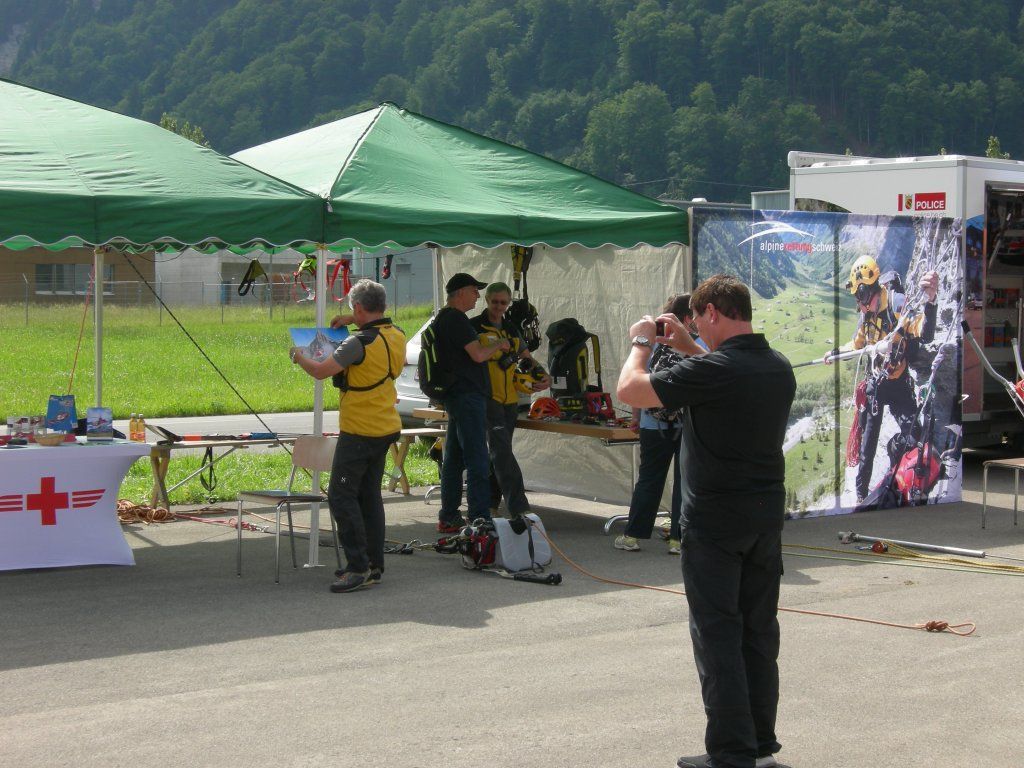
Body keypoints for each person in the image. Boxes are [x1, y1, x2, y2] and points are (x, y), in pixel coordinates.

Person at [617, 274, 796, 768]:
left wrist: (641, 342)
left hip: (716, 523)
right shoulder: (776, 365)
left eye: (698, 321)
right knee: (758, 633)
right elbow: (723, 374)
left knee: (718, 636)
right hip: (763, 518)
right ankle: (759, 747)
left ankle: (732, 752)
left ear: (712, 312)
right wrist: (688, 345)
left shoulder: (717, 369)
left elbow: (630, 390)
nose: (697, 328)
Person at [290, 279, 406, 593]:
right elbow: (372, 325)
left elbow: (320, 371)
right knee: (369, 496)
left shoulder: (357, 343)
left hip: (360, 430)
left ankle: (357, 568)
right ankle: (373, 565)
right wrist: (352, 319)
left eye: (353, 310)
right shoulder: (396, 334)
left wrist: (299, 355)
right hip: (385, 427)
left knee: (341, 495)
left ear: (357, 307)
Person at [828, 255, 938, 505]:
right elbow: (856, 345)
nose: (859, 305)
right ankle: (861, 494)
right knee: (867, 447)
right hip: (875, 386)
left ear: (866, 292)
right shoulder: (866, 316)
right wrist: (834, 353)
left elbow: (925, 333)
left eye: (859, 298)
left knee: (915, 436)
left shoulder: (897, 305)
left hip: (898, 384)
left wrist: (931, 301)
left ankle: (895, 454)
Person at [614, 293, 701, 555]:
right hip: (687, 424)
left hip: (654, 423)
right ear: (688, 318)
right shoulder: (697, 345)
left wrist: (636, 417)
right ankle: (678, 539)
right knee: (684, 481)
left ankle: (633, 536)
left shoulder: (651, 343)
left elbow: (637, 381)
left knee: (649, 479)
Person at [434, 273, 511, 532]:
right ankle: (479, 517)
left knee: (454, 459)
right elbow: (478, 355)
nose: (478, 296)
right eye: (474, 290)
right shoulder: (456, 319)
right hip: (467, 396)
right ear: (460, 293)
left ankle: (449, 516)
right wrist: (498, 344)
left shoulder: (442, 318)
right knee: (478, 458)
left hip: (457, 396)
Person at [470, 282, 550, 518]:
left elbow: (527, 358)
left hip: (510, 401)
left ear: (508, 304)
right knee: (501, 452)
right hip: (487, 398)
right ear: (487, 300)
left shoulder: (511, 328)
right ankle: (519, 508)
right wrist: (496, 346)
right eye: (495, 302)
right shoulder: (474, 326)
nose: (498, 307)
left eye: (503, 303)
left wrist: (543, 375)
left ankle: (491, 505)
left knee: (499, 453)